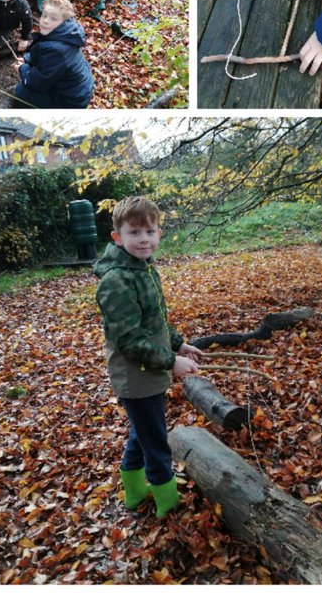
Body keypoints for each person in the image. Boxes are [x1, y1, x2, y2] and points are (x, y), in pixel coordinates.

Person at [95, 196, 204, 518]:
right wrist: (171, 362)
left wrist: (178, 345)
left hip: (151, 366)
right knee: (155, 439)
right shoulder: (116, 280)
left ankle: (134, 491)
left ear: (159, 234)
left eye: (150, 231)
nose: (144, 239)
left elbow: (155, 320)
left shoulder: (143, 268)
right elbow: (129, 339)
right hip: (136, 374)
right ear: (118, 237)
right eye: (134, 232)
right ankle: (166, 501)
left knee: (141, 431)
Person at [11, 0, 94, 108]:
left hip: (70, 102)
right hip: (76, 90)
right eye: (44, 15)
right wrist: (27, 58)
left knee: (20, 91)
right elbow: (45, 55)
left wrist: (23, 68)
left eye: (53, 18)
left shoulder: (57, 50)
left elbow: (39, 81)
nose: (45, 21)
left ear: (63, 22)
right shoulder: (65, 34)